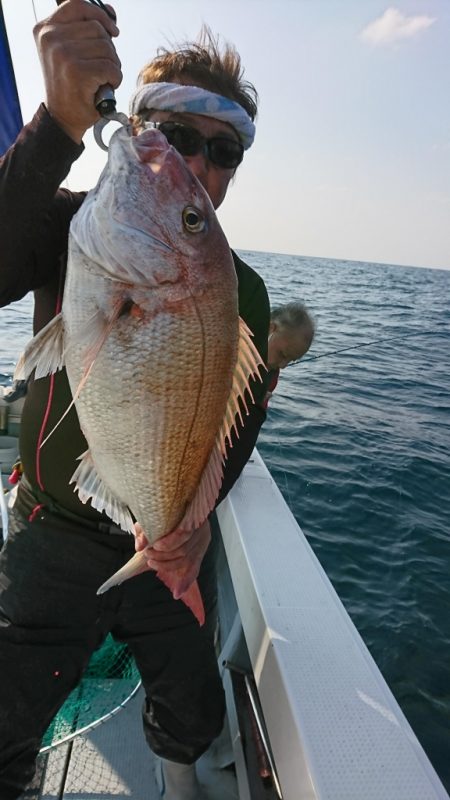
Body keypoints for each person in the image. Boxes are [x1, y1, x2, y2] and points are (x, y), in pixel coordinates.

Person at [0, 3, 270, 798]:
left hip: (168, 533)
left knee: (194, 706)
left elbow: (236, 424)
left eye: (221, 152)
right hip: (54, 528)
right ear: (132, 135)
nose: (198, 164)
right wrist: (53, 126)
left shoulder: (242, 293)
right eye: (175, 139)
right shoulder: (68, 227)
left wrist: (186, 532)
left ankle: (177, 769)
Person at [263, 301, 315, 407]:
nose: (283, 366)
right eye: (282, 354)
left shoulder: (271, 374)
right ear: (270, 329)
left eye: (291, 360)